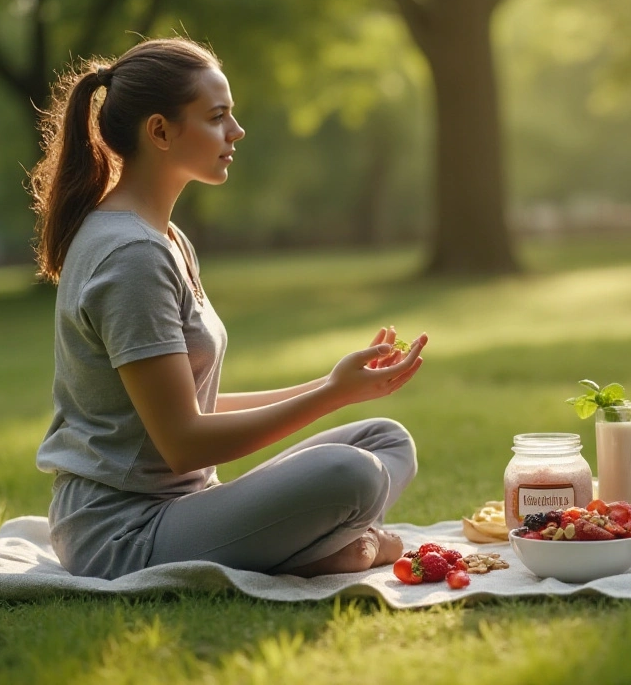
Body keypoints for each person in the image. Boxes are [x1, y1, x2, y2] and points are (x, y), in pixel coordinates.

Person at [29, 37, 427, 580]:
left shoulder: (164, 238)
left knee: (385, 439)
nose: (236, 132)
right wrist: (331, 395)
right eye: (217, 117)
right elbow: (183, 443)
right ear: (161, 131)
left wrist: (338, 387)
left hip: (185, 506)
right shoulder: (131, 257)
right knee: (351, 474)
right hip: (122, 533)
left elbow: (191, 406)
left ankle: (321, 545)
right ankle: (326, 548)